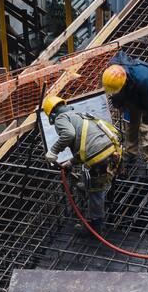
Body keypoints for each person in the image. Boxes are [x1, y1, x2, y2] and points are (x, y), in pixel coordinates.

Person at [42, 95, 122, 235]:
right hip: (113, 150)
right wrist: (71, 162)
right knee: (99, 181)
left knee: (95, 192)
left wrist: (53, 151)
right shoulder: (79, 115)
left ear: (52, 115)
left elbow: (69, 135)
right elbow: (86, 145)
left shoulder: (61, 118)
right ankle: (93, 191)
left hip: (98, 157)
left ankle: (95, 228)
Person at [103, 53, 148, 173]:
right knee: (131, 123)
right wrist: (119, 104)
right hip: (132, 90)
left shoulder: (145, 80)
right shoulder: (113, 74)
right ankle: (131, 152)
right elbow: (117, 93)